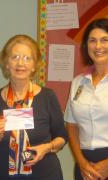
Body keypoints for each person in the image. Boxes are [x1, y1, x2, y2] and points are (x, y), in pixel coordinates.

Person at [0, 34, 67, 180]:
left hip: (44, 175)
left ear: (34, 66)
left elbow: (62, 137)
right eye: (15, 57)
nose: (20, 63)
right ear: (6, 63)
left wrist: (47, 147)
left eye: (27, 58)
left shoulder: (48, 97)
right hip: (0, 175)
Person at [64, 18, 108, 180]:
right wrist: (81, 161)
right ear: (86, 45)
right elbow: (71, 125)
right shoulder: (78, 82)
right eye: (92, 40)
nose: (98, 46)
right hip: (85, 164)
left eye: (105, 40)